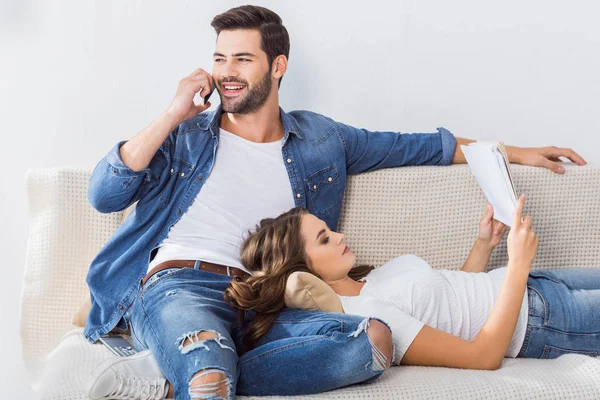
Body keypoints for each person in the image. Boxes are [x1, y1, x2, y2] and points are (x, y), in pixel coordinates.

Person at [84, 5, 587, 400]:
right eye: (219, 58)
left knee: (372, 340)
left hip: (269, 304)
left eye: (242, 59)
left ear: (277, 66)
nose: (226, 73)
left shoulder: (320, 140)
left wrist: (513, 151)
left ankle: (169, 375)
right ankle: (196, 369)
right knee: (209, 373)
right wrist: (173, 113)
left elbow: (416, 144)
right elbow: (105, 195)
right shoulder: (186, 138)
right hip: (185, 284)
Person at [225, 196, 600, 371]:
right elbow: (481, 357)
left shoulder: (365, 283)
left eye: (329, 229)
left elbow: (452, 301)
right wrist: (518, 264)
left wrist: (485, 244)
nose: (339, 236)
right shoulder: (368, 317)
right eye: (324, 239)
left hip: (534, 285)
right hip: (538, 322)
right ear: (301, 268)